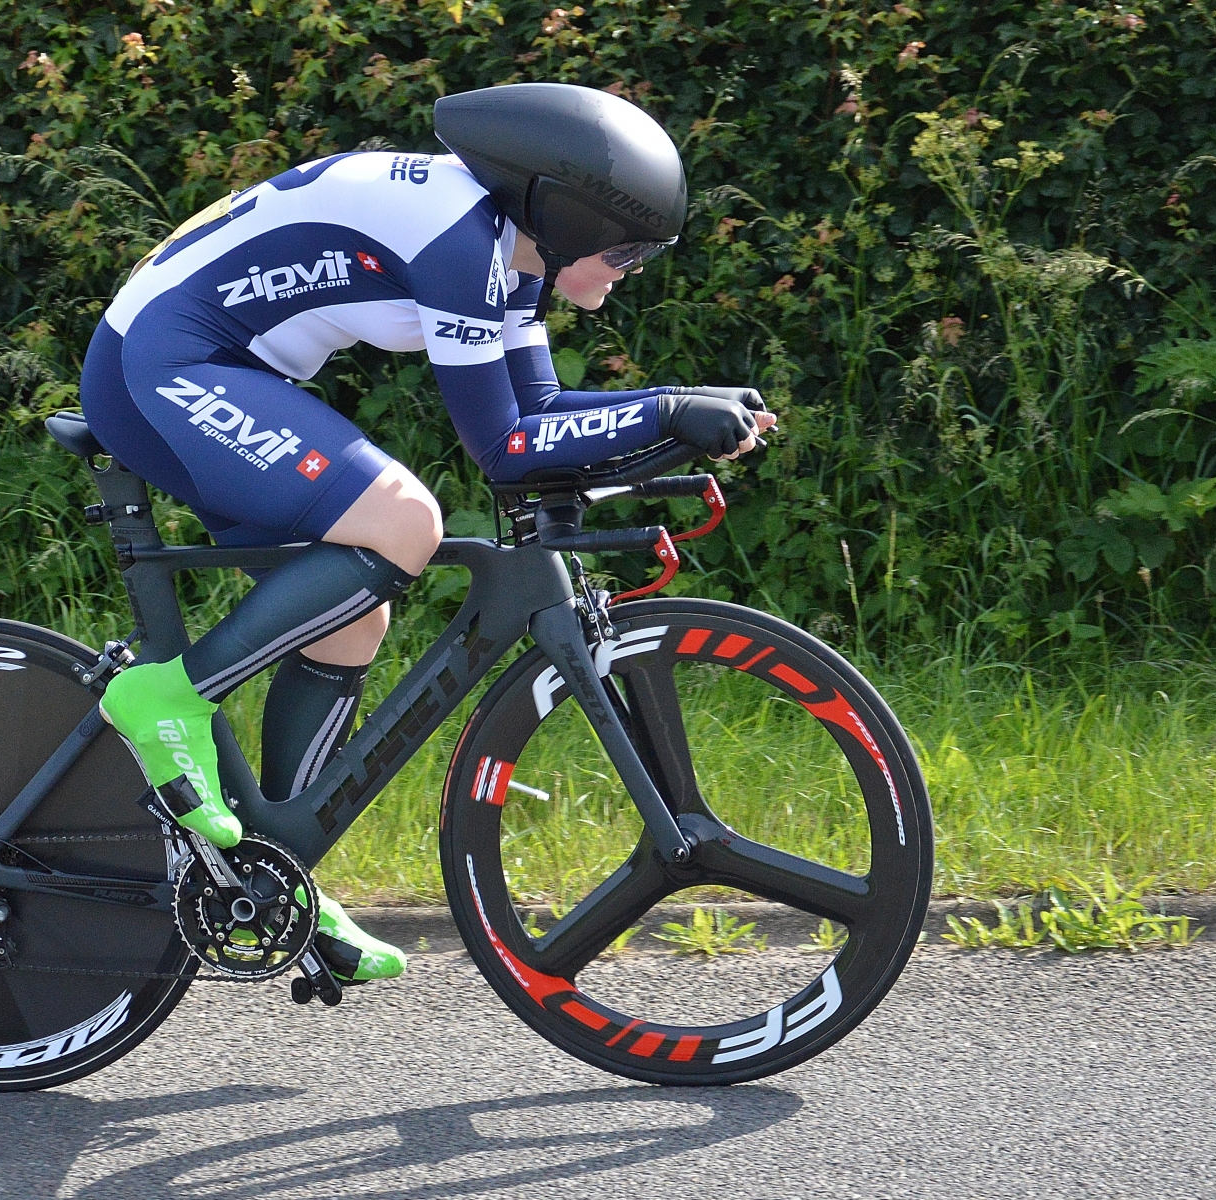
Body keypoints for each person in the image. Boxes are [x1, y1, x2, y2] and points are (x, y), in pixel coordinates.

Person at [78, 82, 777, 985]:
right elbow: (506, 447)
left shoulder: (510, 255)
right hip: (163, 365)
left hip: (217, 366)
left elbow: (541, 410)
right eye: (628, 249)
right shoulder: (458, 246)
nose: (632, 269)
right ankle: (165, 698)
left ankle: (279, 867)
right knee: (406, 521)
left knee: (352, 619)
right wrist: (665, 411)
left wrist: (673, 408)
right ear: (566, 221)